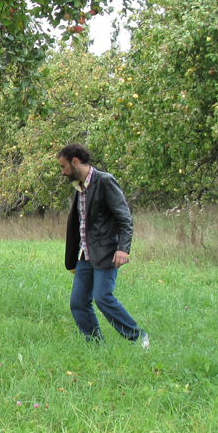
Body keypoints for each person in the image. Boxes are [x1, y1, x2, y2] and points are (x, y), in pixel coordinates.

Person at [57, 143, 148, 347]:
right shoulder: (79, 188)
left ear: (75, 161)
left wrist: (123, 248)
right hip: (84, 255)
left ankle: (138, 338)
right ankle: (96, 345)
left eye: (63, 167)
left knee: (103, 297)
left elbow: (125, 218)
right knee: (78, 303)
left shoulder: (105, 181)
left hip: (106, 251)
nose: (62, 172)